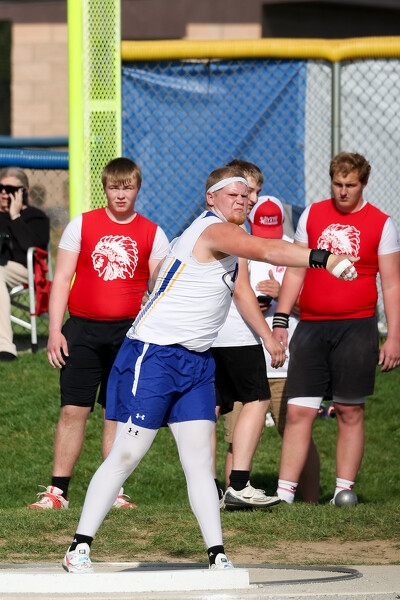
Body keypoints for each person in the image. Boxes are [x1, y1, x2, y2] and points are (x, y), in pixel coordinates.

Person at [61, 165, 358, 573]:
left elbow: (240, 290)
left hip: (197, 361)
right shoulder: (212, 229)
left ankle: (217, 554)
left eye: (246, 195)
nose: (242, 200)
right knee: (127, 454)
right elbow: (268, 250)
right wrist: (325, 257)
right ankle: (78, 546)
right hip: (155, 354)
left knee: (199, 463)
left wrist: (267, 335)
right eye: (233, 194)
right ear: (211, 198)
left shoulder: (231, 239)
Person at [27, 157, 169, 510]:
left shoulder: (153, 232)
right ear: (104, 188)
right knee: (72, 410)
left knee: (115, 413)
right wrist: (55, 331)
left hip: (129, 335)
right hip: (82, 330)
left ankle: (113, 491)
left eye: (128, 187)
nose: (121, 194)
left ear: (138, 188)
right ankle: (57, 492)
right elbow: (62, 279)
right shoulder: (82, 224)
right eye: (114, 187)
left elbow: (160, 287)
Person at [273, 152, 400, 505]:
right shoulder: (312, 215)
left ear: (364, 184)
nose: (343, 191)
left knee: (349, 410)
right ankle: (284, 496)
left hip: (357, 328)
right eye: (337, 184)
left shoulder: (382, 224)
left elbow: (392, 284)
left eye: (351, 185)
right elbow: (295, 269)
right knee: (298, 411)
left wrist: (394, 336)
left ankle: (343, 492)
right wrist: (281, 319)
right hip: (311, 327)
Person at [210, 160, 282, 510]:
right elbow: (240, 290)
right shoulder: (232, 228)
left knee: (207, 410)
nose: (251, 199)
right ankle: (238, 485)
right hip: (234, 334)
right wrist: (268, 335)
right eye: (246, 192)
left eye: (254, 192)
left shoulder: (203, 225)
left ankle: (207, 486)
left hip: (206, 334)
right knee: (257, 399)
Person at [248, 195, 319, 503]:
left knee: (296, 432)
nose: (269, 239)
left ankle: (311, 501)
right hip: (250, 355)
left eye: (273, 231)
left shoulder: (296, 252)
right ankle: (235, 493)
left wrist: (283, 298)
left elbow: (316, 307)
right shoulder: (242, 248)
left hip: (289, 359)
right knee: (240, 436)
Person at [0, 167, 50, 361]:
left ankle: (4, 347)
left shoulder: (36, 217)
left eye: (10, 190)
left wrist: (15, 217)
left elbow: (32, 245)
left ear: (24, 191)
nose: (4, 193)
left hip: (24, 269)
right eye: (0, 188)